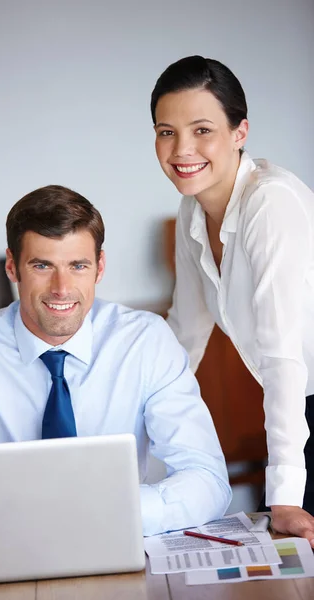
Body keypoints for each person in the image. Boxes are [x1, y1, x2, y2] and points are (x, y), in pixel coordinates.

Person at [0, 184, 231, 537]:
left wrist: (108, 513)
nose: (61, 288)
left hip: (116, 537)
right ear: (12, 267)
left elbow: (208, 480)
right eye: (42, 265)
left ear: (100, 267)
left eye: (78, 265)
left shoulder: (145, 341)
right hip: (0, 551)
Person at [150, 54, 314, 546]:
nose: (182, 149)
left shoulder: (271, 202)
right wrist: (137, 451)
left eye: (202, 129)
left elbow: (283, 353)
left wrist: (283, 494)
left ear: (239, 132)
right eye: (166, 132)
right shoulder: (191, 210)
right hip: (300, 403)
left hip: (301, 393)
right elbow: (185, 334)